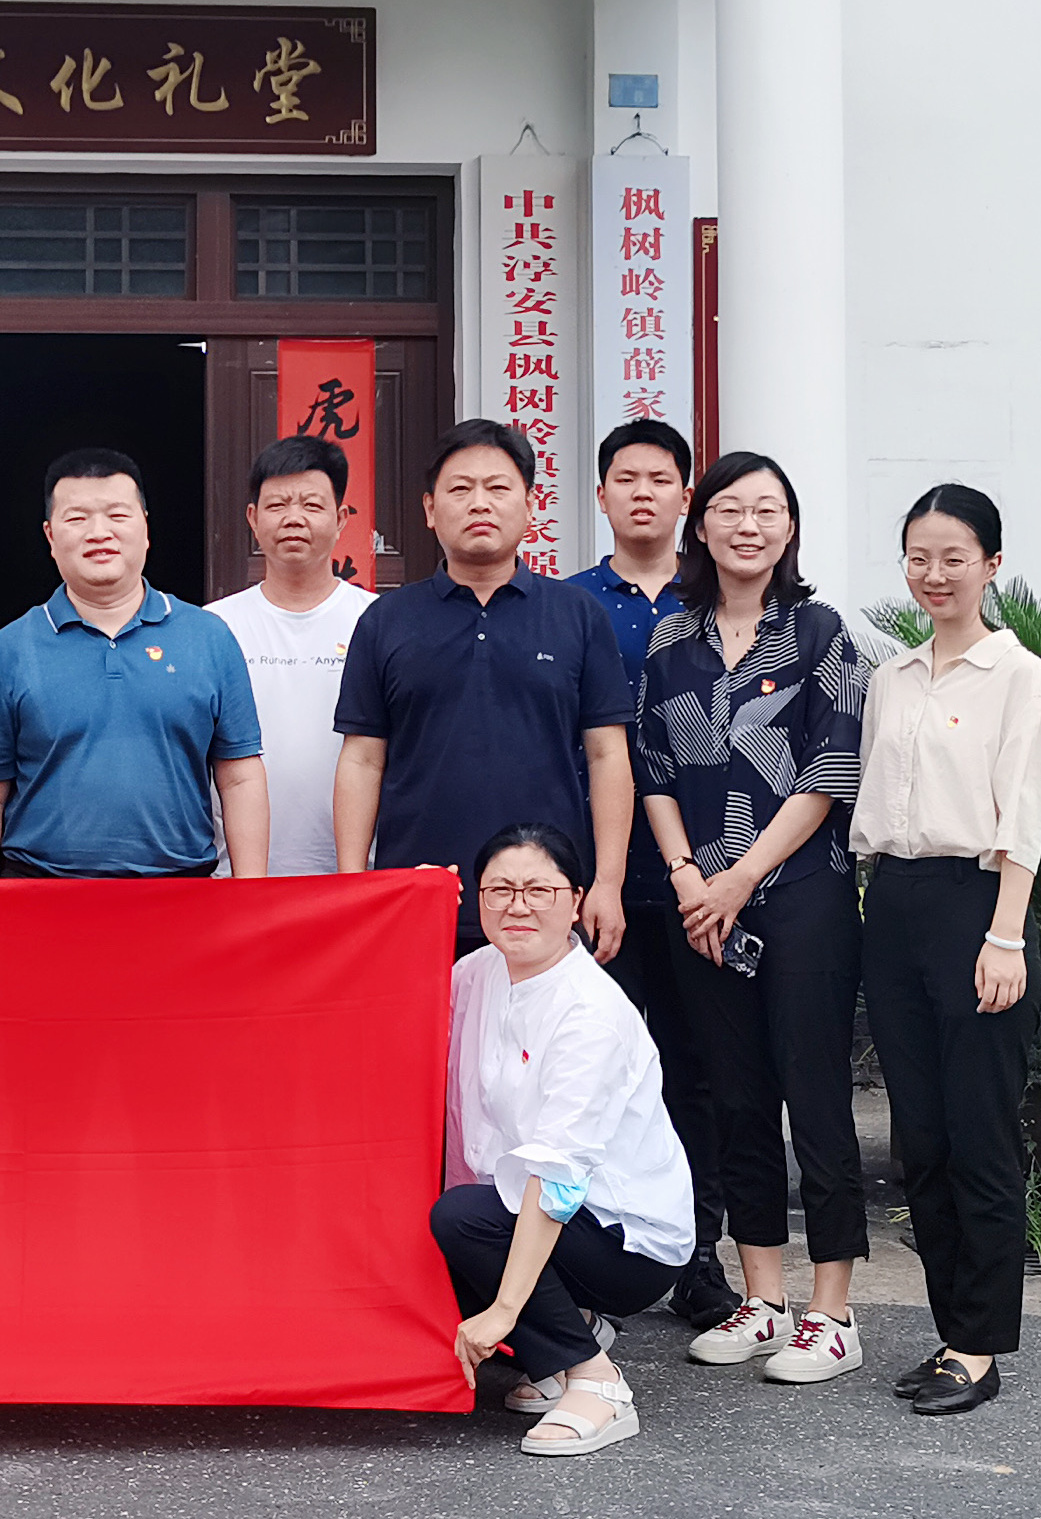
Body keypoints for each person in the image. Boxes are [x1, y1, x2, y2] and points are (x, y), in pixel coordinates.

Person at [633, 451, 874, 1387]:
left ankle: (832, 1312)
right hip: (699, 905)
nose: (748, 525)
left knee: (812, 1095)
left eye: (767, 510)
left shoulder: (820, 636)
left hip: (802, 895)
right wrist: (689, 877)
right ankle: (762, 1297)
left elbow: (830, 772)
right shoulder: (670, 642)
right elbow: (653, 770)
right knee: (734, 1099)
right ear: (700, 526)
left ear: (789, 528)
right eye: (730, 509)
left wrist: (737, 879)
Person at [853, 484, 1041, 1416]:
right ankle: (951, 1333)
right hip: (893, 905)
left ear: (990, 565)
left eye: (953, 558)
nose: (933, 575)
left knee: (979, 1136)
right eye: (918, 558)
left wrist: (1004, 936)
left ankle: (979, 1347)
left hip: (978, 907)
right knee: (922, 1140)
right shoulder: (892, 678)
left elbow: (1023, 818)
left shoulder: (1019, 678)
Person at [433, 821, 697, 1458]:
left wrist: (503, 1313)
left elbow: (559, 1180)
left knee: (464, 1219)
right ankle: (570, 1332)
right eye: (499, 890)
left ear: (576, 900)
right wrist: (406, 905)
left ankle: (595, 1380)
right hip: (531, 1208)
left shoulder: (589, 1013)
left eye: (538, 890)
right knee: (434, 1229)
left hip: (626, 1238)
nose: (517, 906)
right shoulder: (477, 973)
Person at [331, 419, 635, 954]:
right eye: (460, 489)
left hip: (545, 896)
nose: (480, 504)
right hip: (418, 893)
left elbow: (607, 755)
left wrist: (607, 884)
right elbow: (362, 760)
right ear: (430, 509)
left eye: (497, 487)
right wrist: (354, 884)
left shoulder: (578, 615)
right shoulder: (386, 620)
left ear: (530, 505)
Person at [564, 420, 733, 1330]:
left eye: (659, 479)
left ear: (684, 497)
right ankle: (593, 1257)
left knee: (696, 1070)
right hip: (599, 880)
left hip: (705, 878)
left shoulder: (721, 597)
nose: (641, 493)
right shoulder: (568, 604)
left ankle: (698, 1253)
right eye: (624, 478)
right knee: (592, 1071)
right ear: (599, 496)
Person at [0, 448, 267, 880]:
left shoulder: (209, 637)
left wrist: (251, 894)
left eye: (117, 515)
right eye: (77, 518)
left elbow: (240, 776)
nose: (99, 532)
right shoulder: (7, 652)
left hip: (180, 893)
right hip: (41, 893)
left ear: (145, 527)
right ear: (50, 536)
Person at [206, 434, 377, 876]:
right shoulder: (213, 627)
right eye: (278, 505)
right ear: (253, 518)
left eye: (312, 505)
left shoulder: (378, 621)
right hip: (235, 875)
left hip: (357, 874)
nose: (293, 519)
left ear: (341, 519)